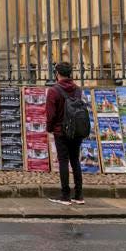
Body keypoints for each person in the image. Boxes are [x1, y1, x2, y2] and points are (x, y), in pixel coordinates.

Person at [45, 61, 85, 206]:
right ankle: (79, 194)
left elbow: (51, 114)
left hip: (60, 130)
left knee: (63, 161)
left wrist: (49, 128)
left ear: (57, 74)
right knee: (75, 160)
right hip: (76, 130)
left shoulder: (54, 91)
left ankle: (65, 194)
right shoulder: (77, 89)